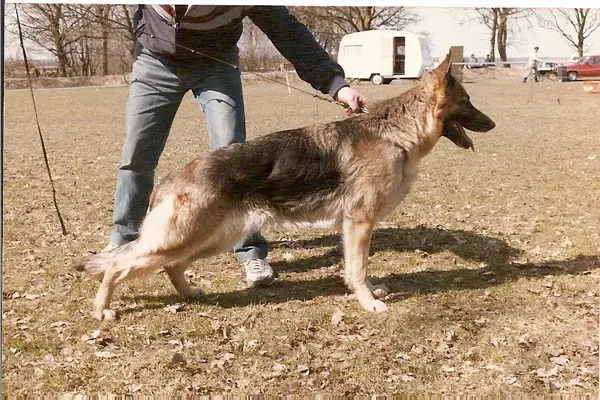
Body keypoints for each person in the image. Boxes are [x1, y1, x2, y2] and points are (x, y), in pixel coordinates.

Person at [104, 5, 368, 288]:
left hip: (216, 63)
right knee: (136, 156)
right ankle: (122, 242)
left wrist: (335, 84)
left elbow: (287, 31)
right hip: (154, 61)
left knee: (235, 156)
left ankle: (250, 251)